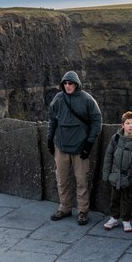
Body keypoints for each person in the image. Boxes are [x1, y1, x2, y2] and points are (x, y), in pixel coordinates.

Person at [47, 70, 102, 225]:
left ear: (77, 84)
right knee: (61, 180)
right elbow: (52, 120)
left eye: (70, 83)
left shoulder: (87, 99)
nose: (68, 86)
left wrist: (89, 145)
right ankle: (64, 208)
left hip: (80, 149)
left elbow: (97, 121)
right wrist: (49, 140)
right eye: (65, 83)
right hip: (61, 147)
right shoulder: (58, 99)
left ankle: (83, 211)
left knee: (82, 181)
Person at [102, 111, 132, 232]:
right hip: (115, 176)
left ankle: (126, 220)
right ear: (122, 125)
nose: (130, 125)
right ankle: (114, 218)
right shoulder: (115, 138)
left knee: (128, 199)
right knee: (114, 198)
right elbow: (108, 157)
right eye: (128, 123)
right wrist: (106, 175)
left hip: (129, 178)